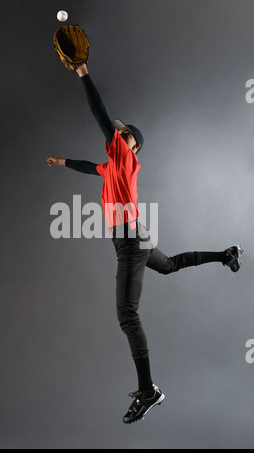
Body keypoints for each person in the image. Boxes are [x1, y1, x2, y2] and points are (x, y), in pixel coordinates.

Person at [47, 63, 243, 424]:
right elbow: (91, 166)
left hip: (130, 241)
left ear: (132, 144)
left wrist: (82, 72)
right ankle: (226, 254)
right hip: (135, 237)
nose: (116, 136)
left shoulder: (125, 157)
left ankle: (149, 390)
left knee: (127, 314)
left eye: (122, 135)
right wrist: (62, 161)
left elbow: (99, 112)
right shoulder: (112, 165)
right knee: (168, 265)